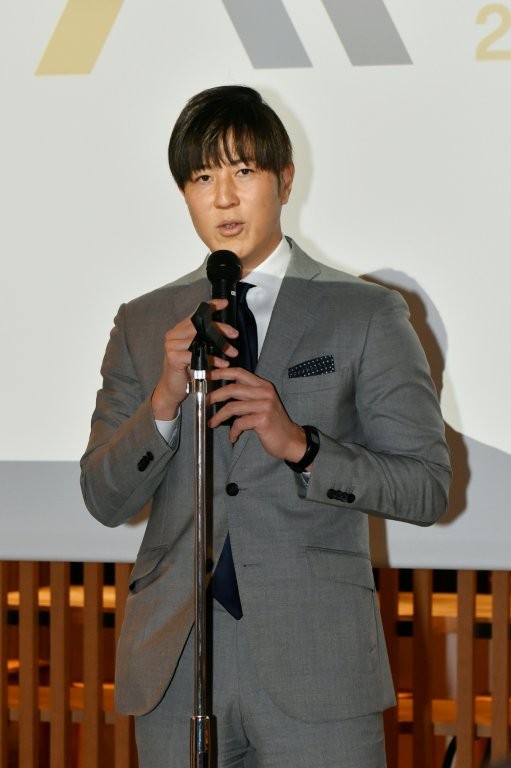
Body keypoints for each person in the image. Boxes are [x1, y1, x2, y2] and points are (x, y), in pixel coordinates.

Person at [80, 85, 451, 768]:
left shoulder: (365, 312)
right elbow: (103, 499)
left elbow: (425, 487)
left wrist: (301, 447)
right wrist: (162, 401)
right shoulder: (142, 321)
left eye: (243, 172)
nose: (223, 198)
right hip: (175, 662)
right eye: (201, 178)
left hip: (317, 660)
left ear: (284, 180)